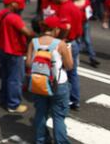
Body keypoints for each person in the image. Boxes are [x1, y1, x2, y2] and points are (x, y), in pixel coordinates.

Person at [26, 16, 73, 144]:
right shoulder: (61, 44)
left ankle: (41, 140)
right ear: (55, 29)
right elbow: (69, 66)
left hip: (39, 83)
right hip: (59, 84)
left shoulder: (33, 42)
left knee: (40, 113)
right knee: (58, 116)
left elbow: (29, 64)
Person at [0, 0, 35, 113]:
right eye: (16, 3)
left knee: (5, 75)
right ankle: (13, 104)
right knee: (15, 78)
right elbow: (27, 32)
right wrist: (36, 36)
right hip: (13, 50)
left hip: (0, 49)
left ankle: (4, 99)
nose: (19, 5)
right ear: (11, 4)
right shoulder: (13, 17)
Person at [50, 0, 83, 111]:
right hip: (75, 41)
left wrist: (60, 40)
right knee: (73, 73)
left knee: (64, 72)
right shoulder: (73, 6)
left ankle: (67, 99)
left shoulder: (64, 8)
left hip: (68, 43)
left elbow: (66, 26)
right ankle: (74, 100)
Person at [72, 0, 100, 68]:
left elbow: (89, 14)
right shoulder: (72, 2)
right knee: (77, 41)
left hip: (84, 24)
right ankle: (75, 58)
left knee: (87, 41)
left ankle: (92, 58)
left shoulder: (86, 2)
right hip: (76, 25)